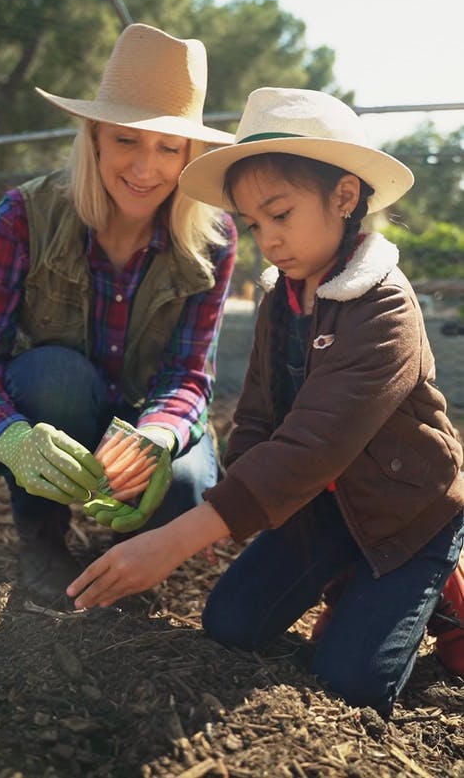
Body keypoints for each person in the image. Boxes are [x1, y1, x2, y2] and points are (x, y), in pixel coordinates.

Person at [66, 87, 464, 717]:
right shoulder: (283, 298)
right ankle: (349, 575)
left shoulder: (384, 306)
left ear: (345, 196)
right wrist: (230, 512)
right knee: (230, 623)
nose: (268, 240)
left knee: (350, 681)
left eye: (280, 214)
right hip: (323, 507)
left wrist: (176, 540)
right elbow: (256, 417)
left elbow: (311, 447)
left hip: (404, 513)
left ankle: (440, 591)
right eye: (254, 224)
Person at [0, 23, 237, 604]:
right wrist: (11, 438)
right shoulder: (23, 215)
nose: (145, 168)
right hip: (59, 410)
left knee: (185, 485)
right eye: (126, 141)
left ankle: (131, 540)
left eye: (169, 147)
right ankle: (41, 536)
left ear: (191, 156)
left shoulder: (213, 238)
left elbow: (190, 374)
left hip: (146, 411)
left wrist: (158, 435)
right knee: (50, 376)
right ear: (94, 139)